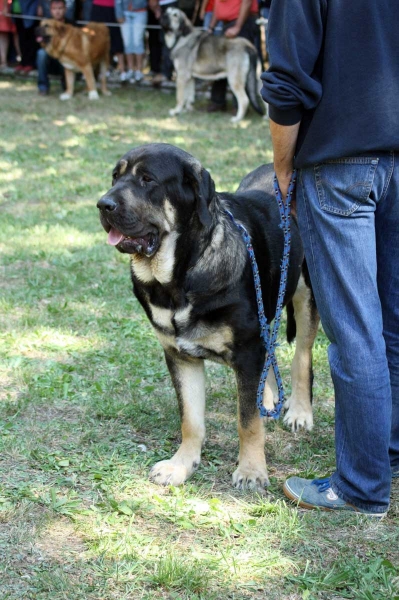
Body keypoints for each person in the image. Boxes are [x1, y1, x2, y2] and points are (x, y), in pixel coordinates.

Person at [261, 0, 399, 517]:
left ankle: (362, 485)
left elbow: (287, 81)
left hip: (340, 162)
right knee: (390, 322)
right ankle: (383, 453)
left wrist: (282, 170)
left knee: (355, 329)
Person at [207, 0, 259, 113]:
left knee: (239, 67)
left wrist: (237, 26)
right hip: (227, 24)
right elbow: (218, 4)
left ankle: (240, 106)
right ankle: (218, 102)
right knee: (220, 62)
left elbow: (247, 2)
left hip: (243, 23)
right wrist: (211, 27)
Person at [36, 0, 69, 94]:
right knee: (41, 53)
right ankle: (43, 87)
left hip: (65, 57)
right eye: (54, 9)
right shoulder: (45, 24)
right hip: (51, 58)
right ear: (50, 10)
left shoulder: (71, 24)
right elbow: (41, 43)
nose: (57, 11)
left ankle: (67, 85)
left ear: (65, 9)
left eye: (60, 8)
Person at [115, 0, 147, 83]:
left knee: (137, 41)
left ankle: (139, 71)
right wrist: (119, 13)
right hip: (125, 12)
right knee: (127, 42)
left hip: (140, 11)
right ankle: (130, 69)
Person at [0, 0, 17, 72]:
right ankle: (3, 62)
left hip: (7, 6)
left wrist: (5, 6)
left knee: (14, 32)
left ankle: (22, 62)